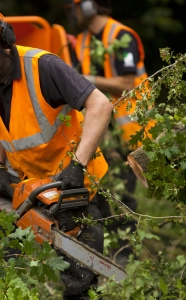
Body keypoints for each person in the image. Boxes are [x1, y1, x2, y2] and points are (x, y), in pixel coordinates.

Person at [0, 1, 113, 298]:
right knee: (9, 272)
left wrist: (78, 165)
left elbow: (100, 105)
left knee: (79, 281)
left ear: (5, 40)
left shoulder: (44, 67)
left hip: (73, 181)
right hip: (28, 184)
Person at [64, 0, 153, 267]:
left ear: (89, 6)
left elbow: (126, 82)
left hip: (130, 133)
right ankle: (107, 253)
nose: (71, 11)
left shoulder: (121, 36)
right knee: (101, 194)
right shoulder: (82, 41)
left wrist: (84, 79)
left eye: (74, 5)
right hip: (103, 131)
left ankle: (125, 257)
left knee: (123, 196)